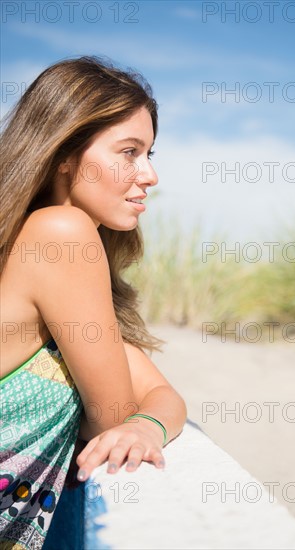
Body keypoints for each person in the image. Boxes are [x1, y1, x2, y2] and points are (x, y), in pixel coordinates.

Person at [0, 56, 187, 549]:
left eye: (149, 153)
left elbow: (161, 397)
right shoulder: (60, 233)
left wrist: (146, 429)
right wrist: (132, 417)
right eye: (129, 152)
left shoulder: (42, 244)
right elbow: (112, 414)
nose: (149, 175)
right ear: (63, 153)